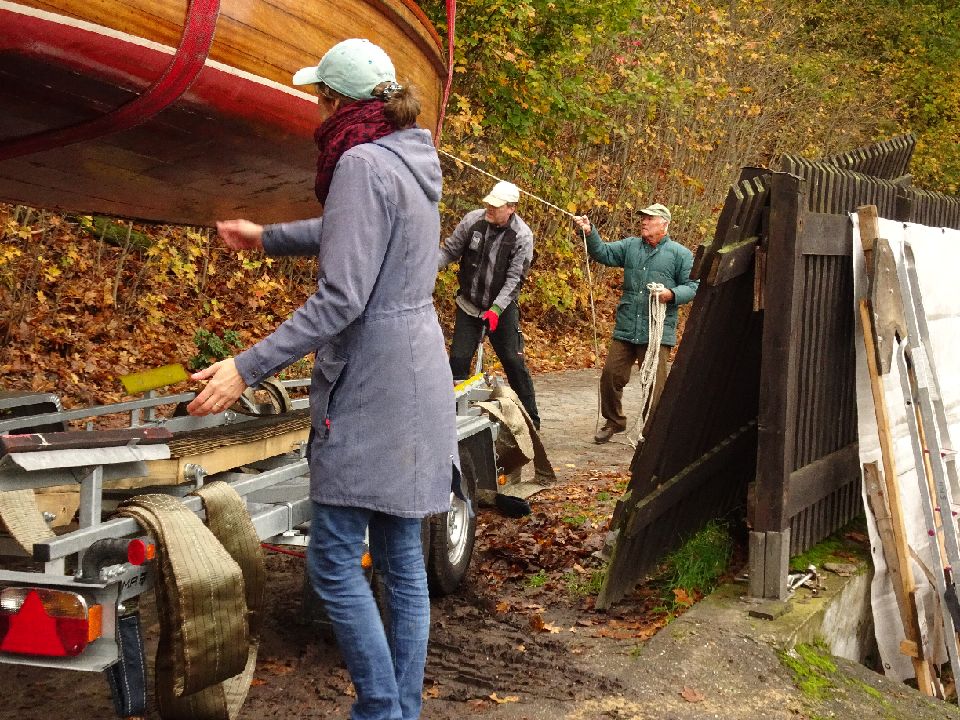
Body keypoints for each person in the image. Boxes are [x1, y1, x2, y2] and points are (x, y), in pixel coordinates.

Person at [186, 38, 457, 720]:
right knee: (401, 560)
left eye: (318, 99)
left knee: (333, 560)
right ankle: (399, 712)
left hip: (374, 380)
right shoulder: (408, 156)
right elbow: (354, 229)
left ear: (336, 103)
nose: (315, 111)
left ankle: (380, 710)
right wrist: (267, 237)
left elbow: (341, 298)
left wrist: (246, 367)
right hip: (418, 368)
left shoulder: (359, 163)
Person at [572, 203, 698, 443]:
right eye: (643, 218)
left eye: (650, 218)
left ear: (664, 224)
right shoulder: (630, 246)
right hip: (627, 326)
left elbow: (693, 286)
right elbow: (603, 253)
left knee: (654, 384)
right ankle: (614, 422)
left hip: (657, 330)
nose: (644, 222)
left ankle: (652, 432)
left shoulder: (680, 254)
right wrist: (589, 232)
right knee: (610, 376)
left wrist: (671, 294)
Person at [438, 180, 541, 429]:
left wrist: (496, 309)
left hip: (501, 310)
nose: (490, 208)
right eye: (489, 203)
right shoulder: (473, 221)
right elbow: (449, 251)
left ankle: (531, 421)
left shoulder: (522, 236)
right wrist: (426, 269)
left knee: (513, 362)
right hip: (469, 305)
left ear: (511, 208)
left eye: (496, 206)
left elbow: (515, 279)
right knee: (458, 361)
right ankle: (452, 421)